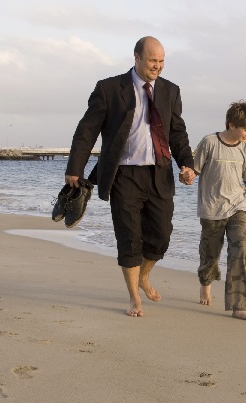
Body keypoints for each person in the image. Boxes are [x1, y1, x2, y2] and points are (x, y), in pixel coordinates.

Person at [65, 36, 196, 318]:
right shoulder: (110, 88)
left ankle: (144, 275)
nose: (157, 66)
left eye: (161, 61)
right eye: (152, 60)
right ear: (136, 57)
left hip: (159, 173)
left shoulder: (171, 91)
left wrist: (187, 164)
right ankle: (134, 297)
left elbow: (177, 132)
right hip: (123, 174)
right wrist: (75, 167)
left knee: (161, 236)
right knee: (129, 237)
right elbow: (86, 130)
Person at [192, 100, 246, 323]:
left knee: (240, 253)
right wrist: (186, 175)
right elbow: (193, 171)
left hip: (238, 208)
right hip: (211, 210)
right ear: (231, 124)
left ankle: (239, 306)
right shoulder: (209, 143)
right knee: (210, 254)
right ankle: (206, 283)